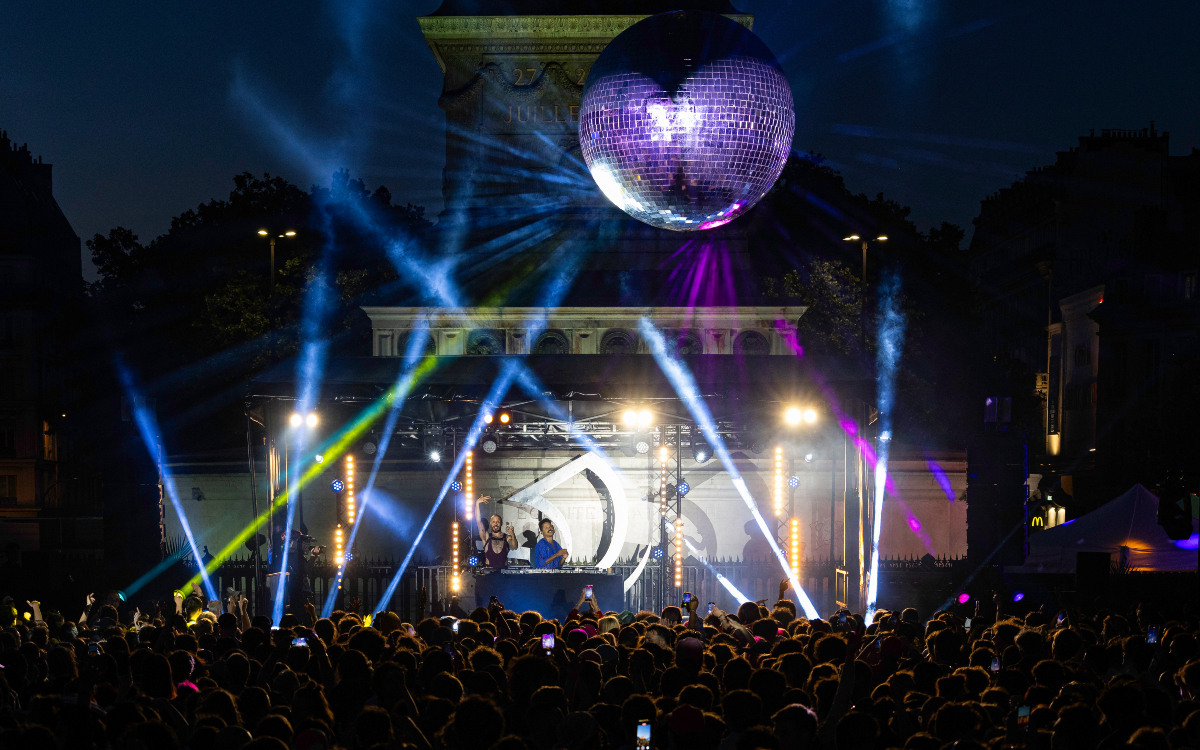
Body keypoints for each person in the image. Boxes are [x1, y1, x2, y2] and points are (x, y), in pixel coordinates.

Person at [475, 495, 517, 570]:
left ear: (501, 523)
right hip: (489, 572)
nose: (496, 524)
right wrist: (477, 503)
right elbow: (478, 522)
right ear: (491, 523)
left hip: (503, 572)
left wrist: (512, 534)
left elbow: (515, 546)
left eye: (498, 522)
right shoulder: (487, 536)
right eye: (493, 522)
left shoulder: (506, 537)